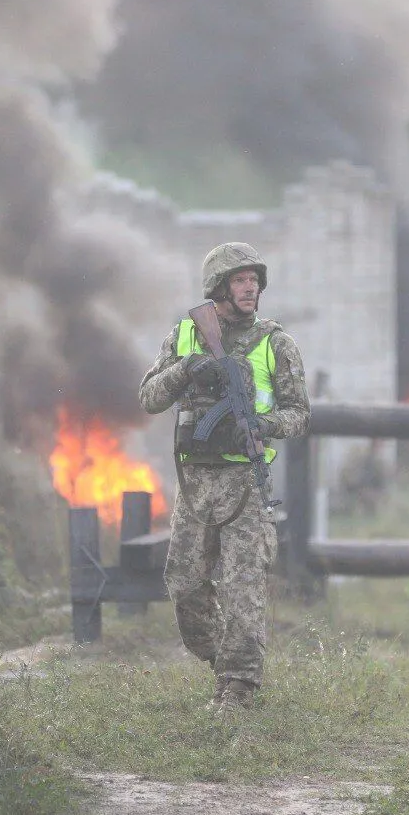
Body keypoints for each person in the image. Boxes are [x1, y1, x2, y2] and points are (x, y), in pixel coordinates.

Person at [138, 242, 310, 710]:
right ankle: (224, 663)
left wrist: (261, 425)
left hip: (244, 485)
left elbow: (299, 415)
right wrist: (185, 369)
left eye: (254, 279)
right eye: (239, 280)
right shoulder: (186, 335)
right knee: (185, 585)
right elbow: (150, 398)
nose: (250, 287)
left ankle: (239, 685)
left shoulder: (276, 343)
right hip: (194, 485)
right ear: (218, 288)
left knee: (243, 586)